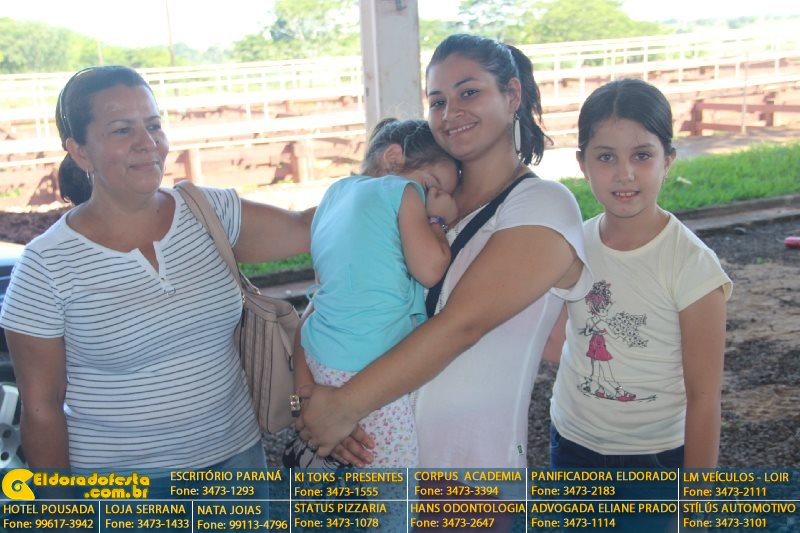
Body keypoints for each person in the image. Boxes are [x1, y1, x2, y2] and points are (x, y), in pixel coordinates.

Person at [296, 33, 592, 470]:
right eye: (437, 101)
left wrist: (342, 407)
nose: (451, 113)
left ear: (512, 94)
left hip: (465, 475)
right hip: (373, 447)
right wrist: (313, 401)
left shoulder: (542, 205)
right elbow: (327, 302)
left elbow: (461, 325)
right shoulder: (420, 201)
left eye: (468, 92)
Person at [0, 66, 314, 476]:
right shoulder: (45, 266)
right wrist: (58, 502)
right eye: (122, 130)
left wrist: (387, 189)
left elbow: (309, 229)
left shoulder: (208, 212)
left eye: (153, 125)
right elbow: (42, 409)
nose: (147, 143)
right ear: (79, 151)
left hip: (237, 461)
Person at [547, 78, 732, 472]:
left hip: (655, 456)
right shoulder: (572, 245)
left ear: (668, 160)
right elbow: (555, 343)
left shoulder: (692, 265)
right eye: (606, 157)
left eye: (642, 155)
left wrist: (696, 498)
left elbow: (704, 398)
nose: (625, 173)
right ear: (582, 164)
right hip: (571, 443)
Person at [291, 118, 458, 469]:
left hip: (320, 353)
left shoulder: (334, 194)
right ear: (394, 159)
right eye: (432, 186)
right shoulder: (403, 190)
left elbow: (324, 281)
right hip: (368, 362)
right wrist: (438, 221)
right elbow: (430, 270)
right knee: (396, 477)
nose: (435, 198)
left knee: (347, 467)